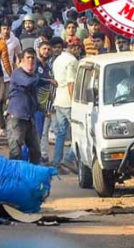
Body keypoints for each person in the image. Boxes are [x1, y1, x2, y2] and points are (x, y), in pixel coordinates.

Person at [7, 48, 55, 163]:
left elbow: (33, 94)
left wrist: (40, 107)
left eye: (33, 58)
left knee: (35, 151)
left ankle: (32, 176)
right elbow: (28, 82)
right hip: (17, 118)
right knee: (15, 152)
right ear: (22, 60)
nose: (30, 60)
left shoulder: (33, 76)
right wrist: (46, 80)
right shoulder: (18, 73)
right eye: (28, 58)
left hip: (29, 118)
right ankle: (14, 177)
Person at [52, 36, 82, 172]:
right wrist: (74, 102)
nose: (79, 51)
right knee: (79, 132)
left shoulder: (57, 59)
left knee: (61, 134)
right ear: (74, 48)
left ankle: (57, 163)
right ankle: (69, 158)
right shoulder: (72, 61)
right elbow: (71, 83)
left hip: (58, 99)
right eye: (78, 49)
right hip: (68, 101)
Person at [40, 36, 64, 163]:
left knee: (58, 132)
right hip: (46, 101)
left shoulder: (65, 62)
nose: (55, 50)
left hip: (59, 100)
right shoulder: (46, 64)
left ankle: (57, 159)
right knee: (43, 131)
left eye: (58, 47)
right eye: (53, 48)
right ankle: (44, 155)